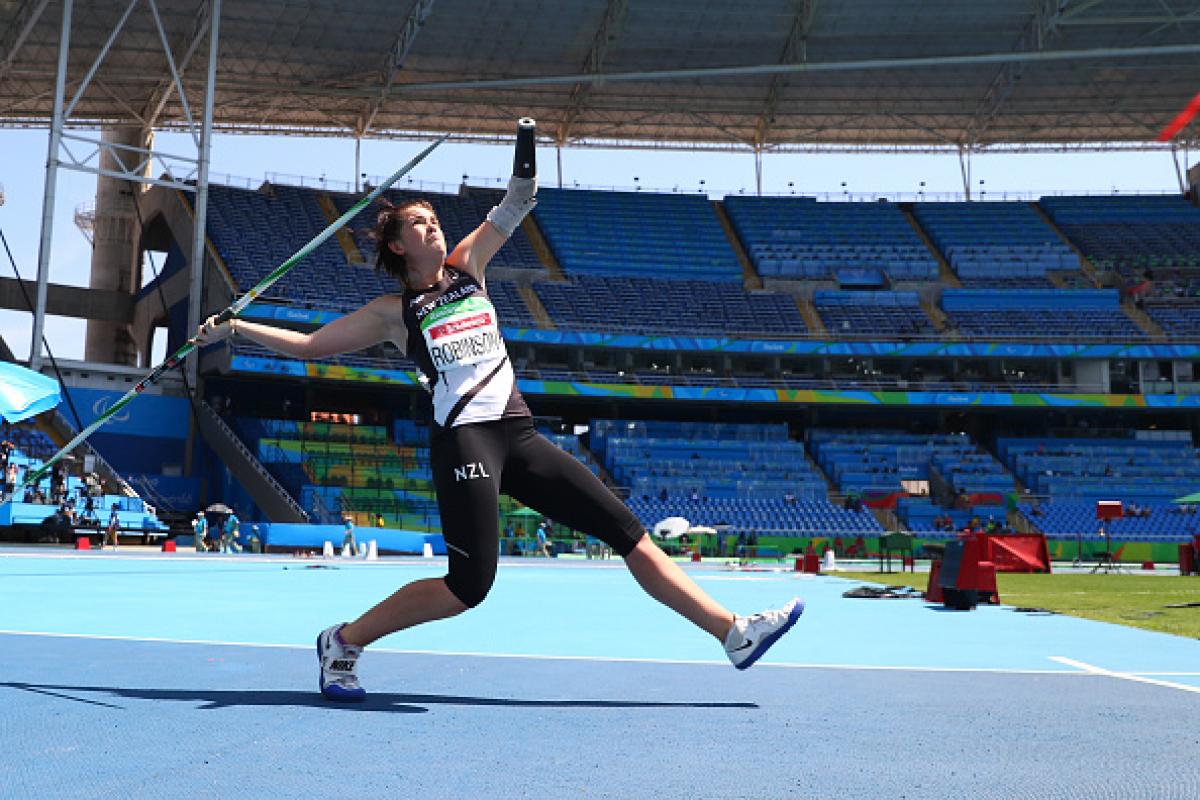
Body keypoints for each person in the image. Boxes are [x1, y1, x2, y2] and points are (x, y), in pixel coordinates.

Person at [195, 139, 803, 703]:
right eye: (420, 223)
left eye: (435, 219)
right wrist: (234, 328)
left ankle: (731, 632)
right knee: (470, 585)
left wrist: (527, 149)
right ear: (400, 246)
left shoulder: (468, 268)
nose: (434, 226)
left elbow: (517, 203)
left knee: (627, 530)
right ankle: (344, 640)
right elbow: (307, 347)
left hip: (520, 434)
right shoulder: (393, 312)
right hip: (466, 441)